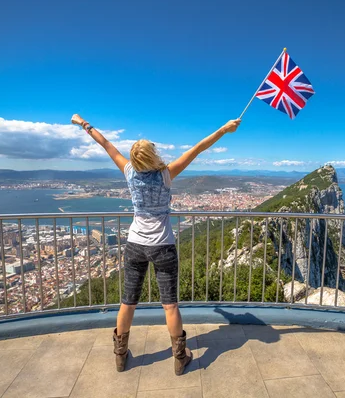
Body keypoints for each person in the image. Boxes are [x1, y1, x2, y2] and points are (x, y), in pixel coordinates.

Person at [71, 114, 241, 375]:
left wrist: (83, 123)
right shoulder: (166, 174)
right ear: (152, 155)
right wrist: (224, 130)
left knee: (128, 302)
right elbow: (198, 148)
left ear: (136, 158)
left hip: (135, 244)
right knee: (170, 304)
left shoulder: (129, 172)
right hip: (163, 245)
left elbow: (105, 144)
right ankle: (179, 358)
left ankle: (120, 355)